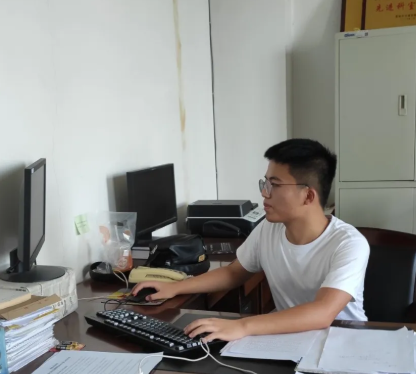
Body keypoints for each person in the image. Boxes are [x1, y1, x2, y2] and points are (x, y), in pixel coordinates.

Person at [131, 139, 370, 343]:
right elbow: (234, 272)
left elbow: (322, 313)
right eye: (265, 183)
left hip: (343, 343)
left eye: (274, 185)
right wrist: (176, 287)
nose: (264, 193)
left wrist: (242, 326)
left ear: (308, 195)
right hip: (289, 338)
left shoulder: (349, 244)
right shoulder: (269, 229)